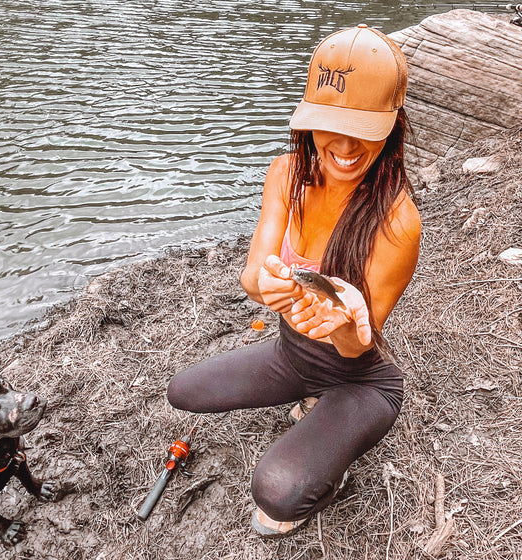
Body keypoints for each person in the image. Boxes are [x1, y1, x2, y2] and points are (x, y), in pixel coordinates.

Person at [167, 24, 421, 537]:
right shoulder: (285, 173)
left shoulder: (398, 222)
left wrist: (340, 321)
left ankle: (334, 457)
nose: (346, 146)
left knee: (276, 496)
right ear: (307, 120)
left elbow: (355, 347)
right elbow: (252, 276)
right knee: (183, 391)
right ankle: (311, 404)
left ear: (392, 127)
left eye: (365, 128)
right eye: (331, 123)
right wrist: (273, 286)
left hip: (359, 376)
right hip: (290, 354)